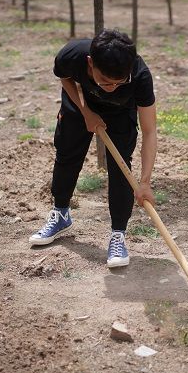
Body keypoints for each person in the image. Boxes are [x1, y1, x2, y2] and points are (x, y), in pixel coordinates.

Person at [29, 29, 157, 268]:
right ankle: (61, 214)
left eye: (120, 82)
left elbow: (150, 132)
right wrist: (86, 111)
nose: (112, 87)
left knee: (120, 166)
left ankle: (118, 234)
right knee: (67, 154)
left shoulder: (139, 76)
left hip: (120, 112)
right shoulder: (72, 55)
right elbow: (65, 77)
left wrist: (145, 182)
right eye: (106, 81)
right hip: (80, 103)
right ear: (90, 63)